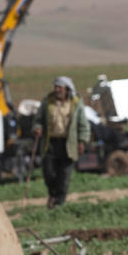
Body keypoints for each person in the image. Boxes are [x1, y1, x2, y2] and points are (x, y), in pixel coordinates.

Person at [32, 76, 90, 209]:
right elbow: (38, 119)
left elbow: (83, 124)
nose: (57, 90)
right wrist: (37, 128)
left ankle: (59, 203)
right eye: (56, 87)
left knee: (64, 175)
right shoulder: (47, 102)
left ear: (67, 89)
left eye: (60, 87)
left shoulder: (76, 103)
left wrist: (82, 141)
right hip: (50, 143)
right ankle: (52, 195)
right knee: (49, 173)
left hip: (68, 144)